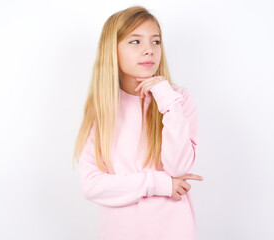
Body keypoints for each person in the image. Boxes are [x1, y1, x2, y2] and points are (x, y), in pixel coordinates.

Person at [72, 5, 203, 240]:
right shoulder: (103, 109)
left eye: (155, 41)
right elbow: (92, 185)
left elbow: (178, 167)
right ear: (113, 50)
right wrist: (160, 184)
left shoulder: (178, 99)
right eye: (135, 42)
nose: (149, 51)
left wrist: (167, 100)